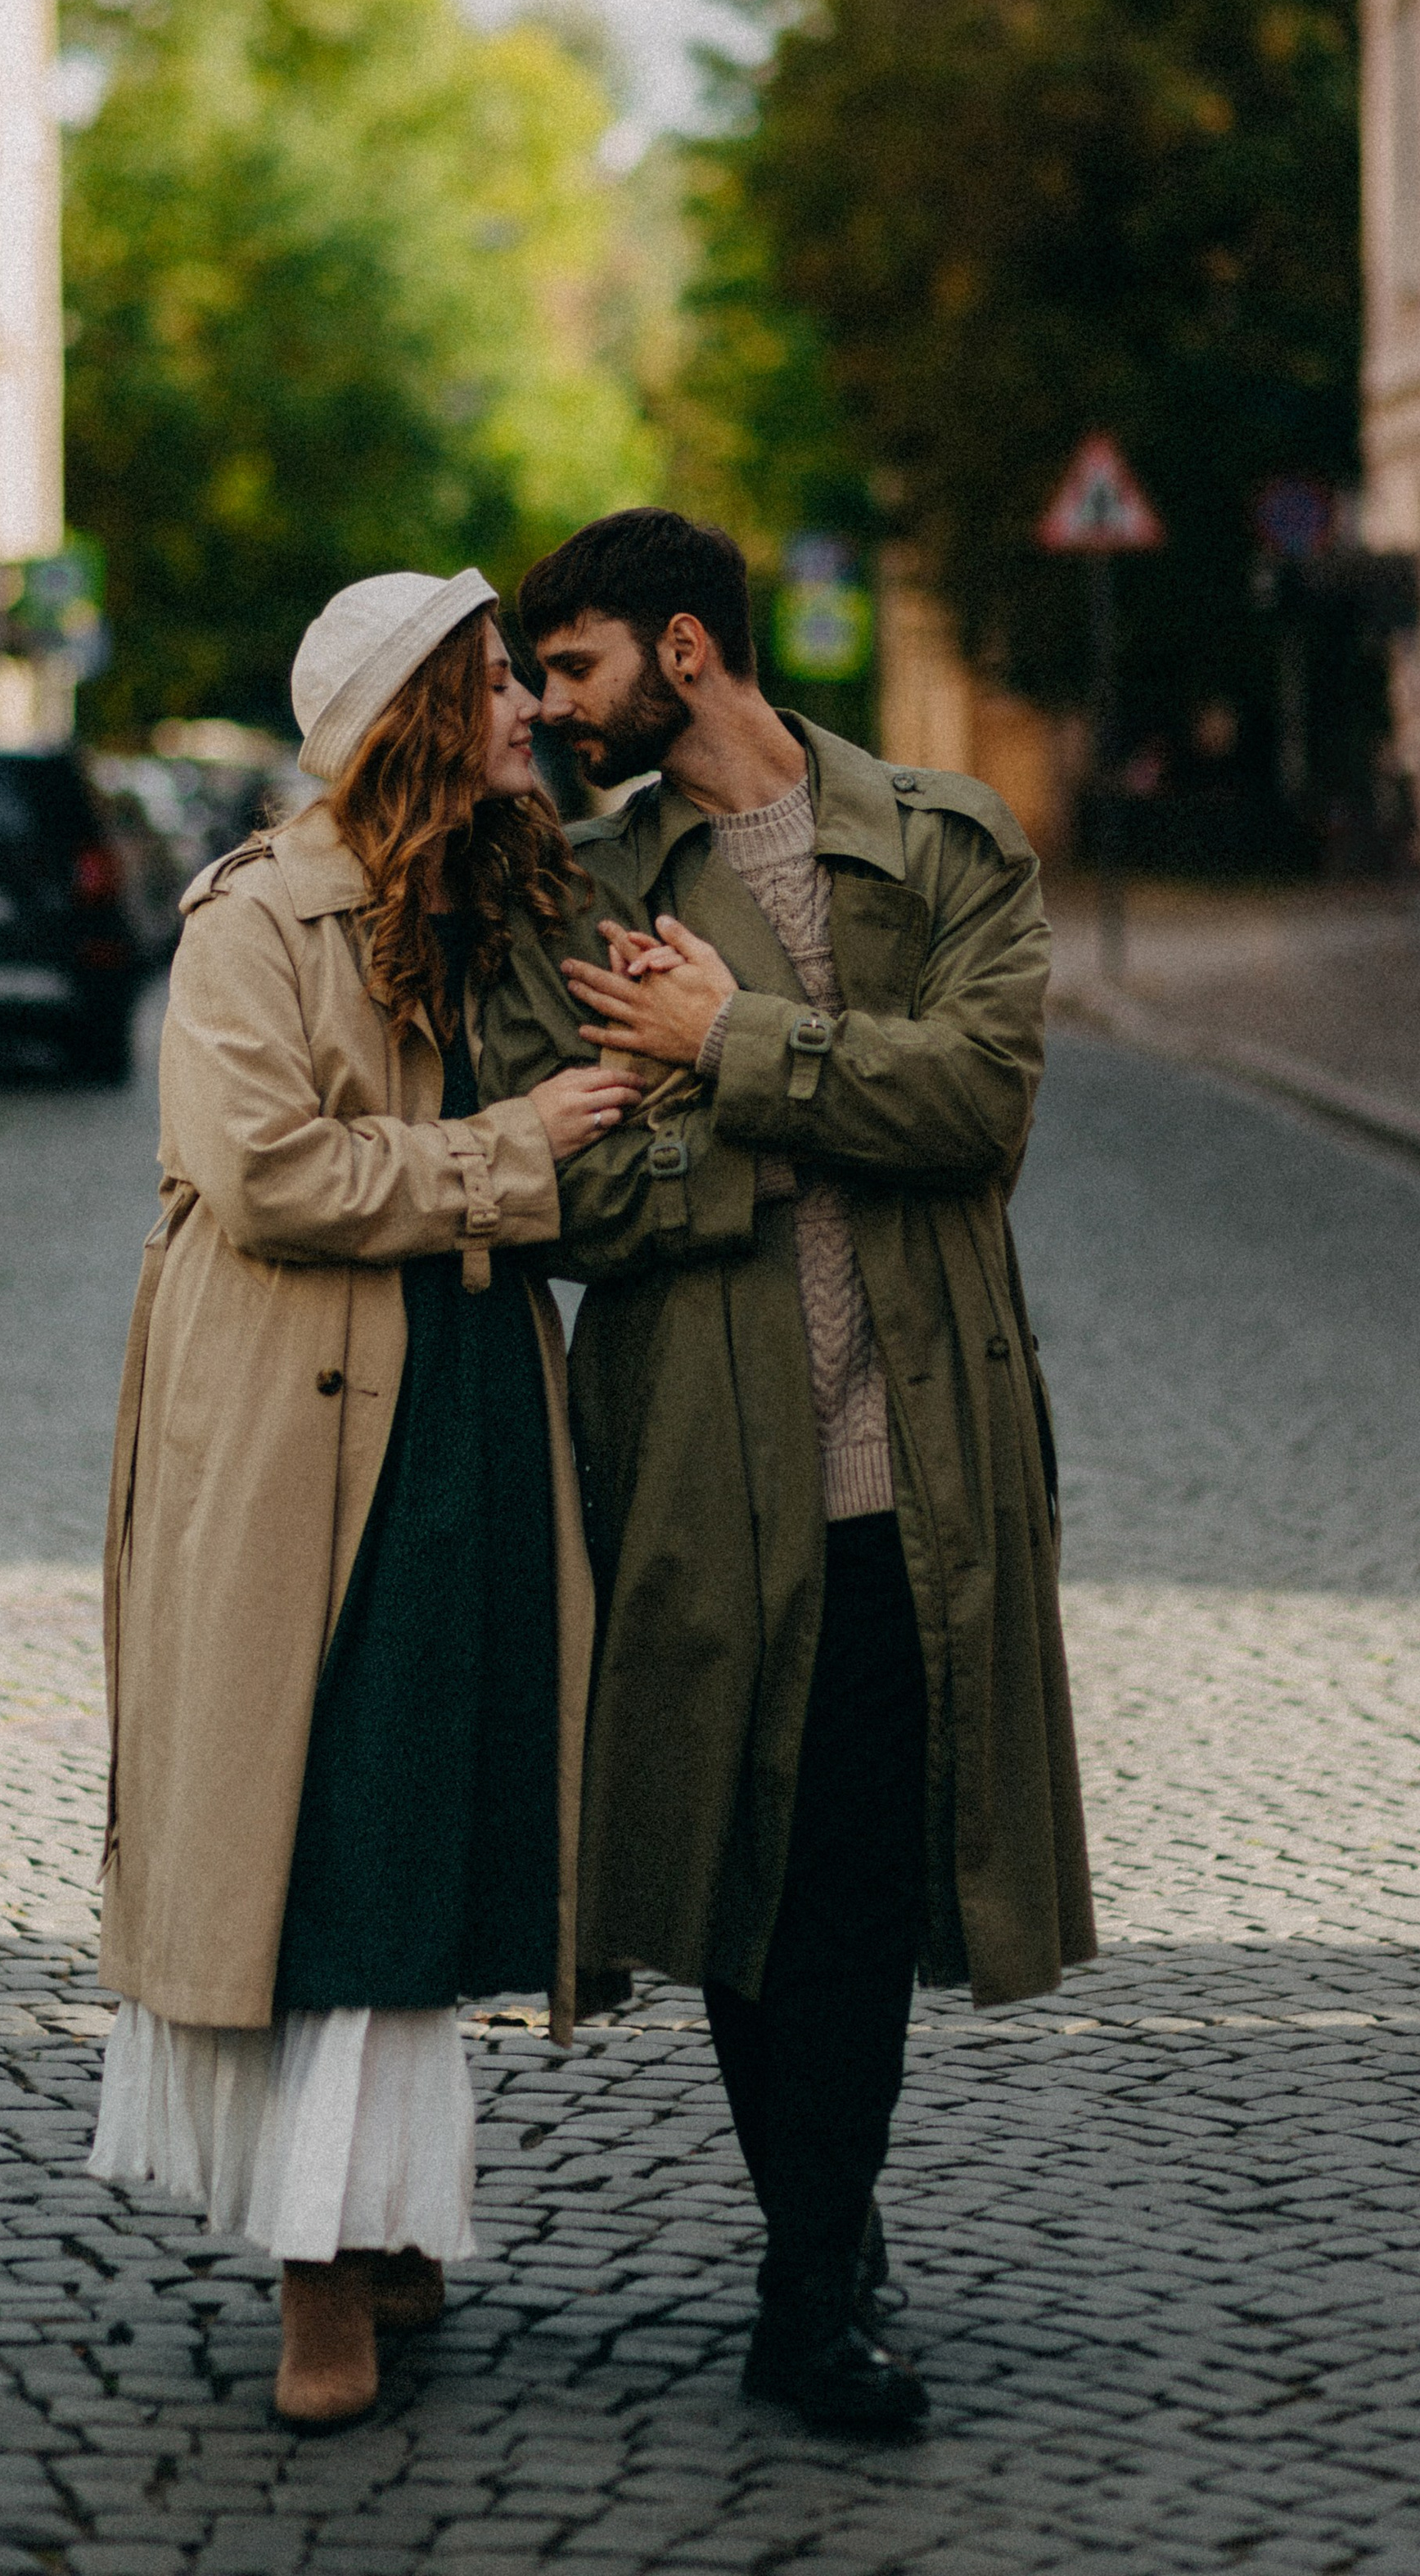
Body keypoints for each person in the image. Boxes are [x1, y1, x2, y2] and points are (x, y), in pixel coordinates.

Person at [478, 509, 1096, 2436]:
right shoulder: (581, 895)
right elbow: (559, 1185)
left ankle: (812, 2265)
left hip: (918, 1455)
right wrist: (766, 1121)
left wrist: (725, 1043)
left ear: (682, 649)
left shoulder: (944, 840)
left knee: (851, 1882)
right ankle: (817, 2257)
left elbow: (974, 1105)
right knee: (744, 1876)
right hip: (697, 1454)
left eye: (567, 668)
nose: (547, 708)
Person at [89, 568, 637, 2433]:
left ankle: (389, 2223)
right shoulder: (249, 926)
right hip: (300, 1429)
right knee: (325, 1847)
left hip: (463, 1390)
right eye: (491, 685)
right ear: (407, 712)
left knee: (442, 1824)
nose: (525, 712)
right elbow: (263, 1172)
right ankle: (313, 2282)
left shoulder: (482, 899)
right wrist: (509, 1156)